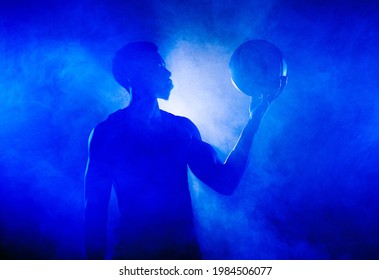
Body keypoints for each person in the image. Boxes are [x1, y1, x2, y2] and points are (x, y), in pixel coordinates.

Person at [84, 41, 287, 259]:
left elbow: (225, 182)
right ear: (134, 75)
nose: (169, 72)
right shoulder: (108, 134)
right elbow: (95, 211)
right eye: (159, 67)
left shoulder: (181, 130)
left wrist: (253, 122)